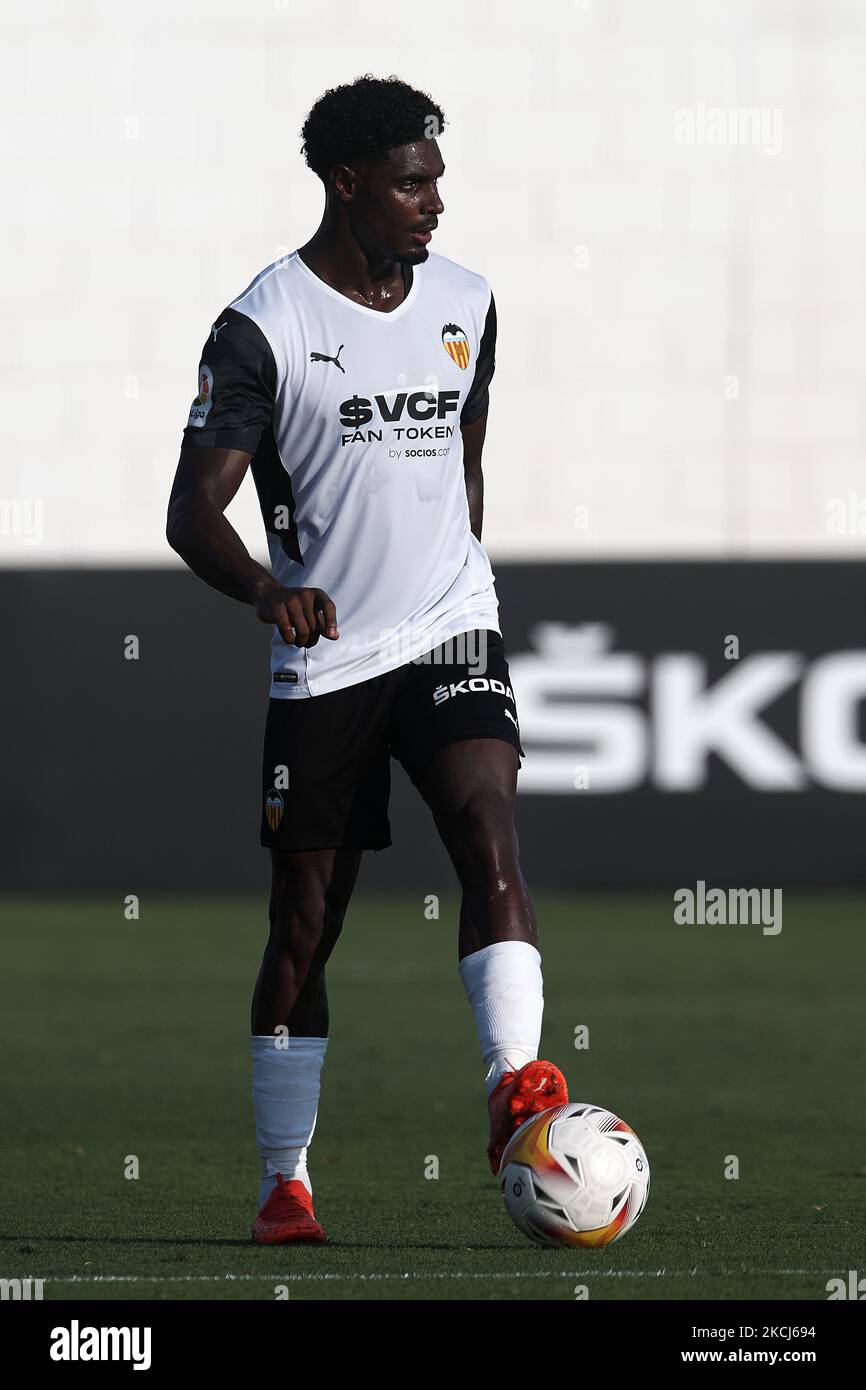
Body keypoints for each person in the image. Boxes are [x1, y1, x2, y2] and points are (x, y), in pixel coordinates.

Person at [166, 74, 568, 1245]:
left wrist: (459, 577)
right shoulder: (264, 325)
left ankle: (511, 1088)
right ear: (346, 183)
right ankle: (284, 1180)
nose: (433, 201)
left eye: (436, 176)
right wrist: (265, 589)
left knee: (488, 827)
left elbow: (463, 462)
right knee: (306, 921)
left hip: (448, 619)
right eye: (409, 181)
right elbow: (194, 513)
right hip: (328, 654)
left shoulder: (466, 299)